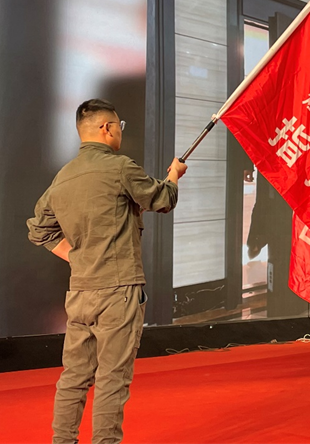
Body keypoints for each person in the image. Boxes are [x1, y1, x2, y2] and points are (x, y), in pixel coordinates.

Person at [27, 99, 187, 444]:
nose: (119, 132)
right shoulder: (120, 167)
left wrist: (78, 258)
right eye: (119, 126)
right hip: (119, 291)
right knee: (113, 379)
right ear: (106, 128)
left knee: (74, 378)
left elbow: (39, 230)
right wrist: (174, 175)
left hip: (81, 292)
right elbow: (162, 199)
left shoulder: (63, 177)